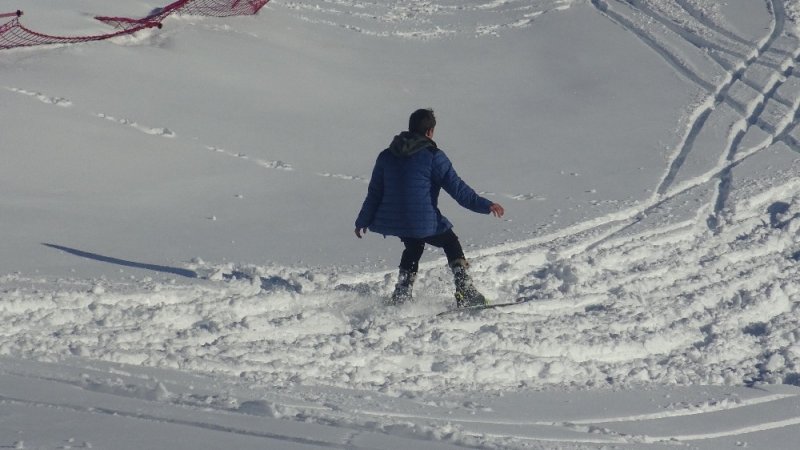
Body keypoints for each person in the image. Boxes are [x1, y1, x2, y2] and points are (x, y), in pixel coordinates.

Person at [354, 108, 505, 307]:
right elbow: (458, 189)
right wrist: (486, 205)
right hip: (421, 221)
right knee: (450, 242)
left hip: (394, 221)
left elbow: (375, 192)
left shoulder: (386, 155)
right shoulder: (433, 156)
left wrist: (363, 220)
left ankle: (402, 294)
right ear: (430, 131)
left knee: (414, 245)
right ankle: (465, 291)